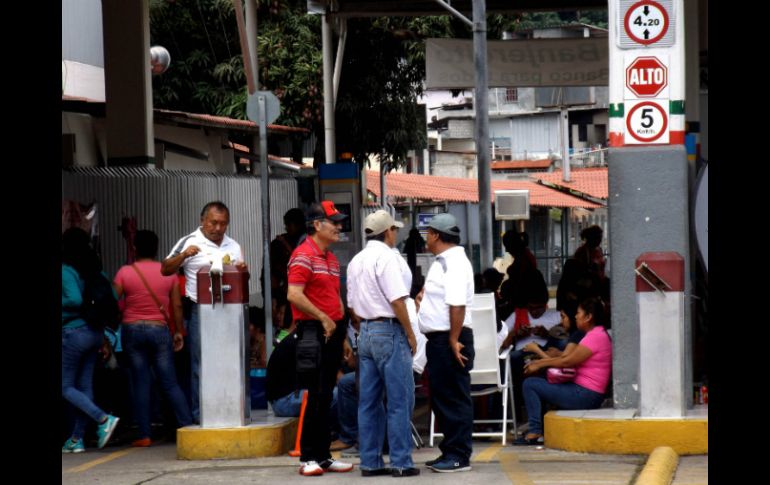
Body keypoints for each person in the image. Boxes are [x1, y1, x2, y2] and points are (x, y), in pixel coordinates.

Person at [347, 210, 420, 477]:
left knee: (368, 401)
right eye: (394, 229)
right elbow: (397, 300)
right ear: (387, 231)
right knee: (399, 400)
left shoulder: (356, 260)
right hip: (389, 330)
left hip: (364, 331)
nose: (396, 234)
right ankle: (401, 461)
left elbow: (352, 305)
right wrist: (410, 334)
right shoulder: (388, 258)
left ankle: (370, 461)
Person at [161, 201, 246, 423]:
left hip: (229, 313)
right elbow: (165, 268)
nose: (218, 228)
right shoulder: (189, 241)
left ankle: (230, 411)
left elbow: (241, 281)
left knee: (230, 362)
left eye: (223, 224)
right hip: (201, 311)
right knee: (201, 364)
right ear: (202, 221)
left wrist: (243, 272)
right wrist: (184, 256)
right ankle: (201, 415)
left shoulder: (233, 246)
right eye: (213, 223)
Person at [286, 201, 354, 476]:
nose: (339, 227)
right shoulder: (303, 255)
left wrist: (343, 335)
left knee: (326, 394)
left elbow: (335, 297)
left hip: (331, 332)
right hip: (314, 333)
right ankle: (308, 457)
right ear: (317, 225)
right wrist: (323, 318)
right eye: (333, 222)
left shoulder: (330, 258)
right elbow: (294, 294)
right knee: (316, 394)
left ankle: (323, 455)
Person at [113, 230, 192, 447]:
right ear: (157, 248)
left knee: (141, 382)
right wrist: (177, 331)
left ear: (135, 248)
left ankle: (145, 435)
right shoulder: (169, 273)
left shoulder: (124, 272)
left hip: (132, 331)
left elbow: (113, 300)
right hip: (160, 330)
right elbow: (176, 305)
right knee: (170, 383)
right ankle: (187, 427)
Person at [417, 213, 475, 473]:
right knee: (442, 397)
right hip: (441, 338)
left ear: (436, 235)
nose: (426, 237)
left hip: (450, 338)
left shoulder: (453, 263)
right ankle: (450, 450)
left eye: (428, 233)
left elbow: (457, 303)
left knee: (453, 397)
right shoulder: (444, 262)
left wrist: (453, 339)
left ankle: (459, 455)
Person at [516, 297, 612, 445]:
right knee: (538, 382)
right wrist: (543, 361)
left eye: (579, 313)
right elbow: (568, 358)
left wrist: (540, 363)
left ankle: (535, 431)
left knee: (530, 384)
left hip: (585, 394)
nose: (575, 316)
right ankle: (538, 427)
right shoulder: (597, 334)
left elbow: (567, 361)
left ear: (588, 317)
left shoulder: (594, 337)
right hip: (585, 391)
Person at [61, 227, 120, 453]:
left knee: (65, 386)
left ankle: (103, 419)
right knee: (84, 386)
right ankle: (76, 440)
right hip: (95, 333)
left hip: (74, 332)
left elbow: (74, 300)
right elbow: (112, 296)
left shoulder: (66, 270)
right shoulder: (95, 269)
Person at [267, 208, 306, 333]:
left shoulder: (305, 240)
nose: (287, 229)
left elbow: (299, 258)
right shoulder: (280, 243)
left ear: (297, 224)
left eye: (288, 225)